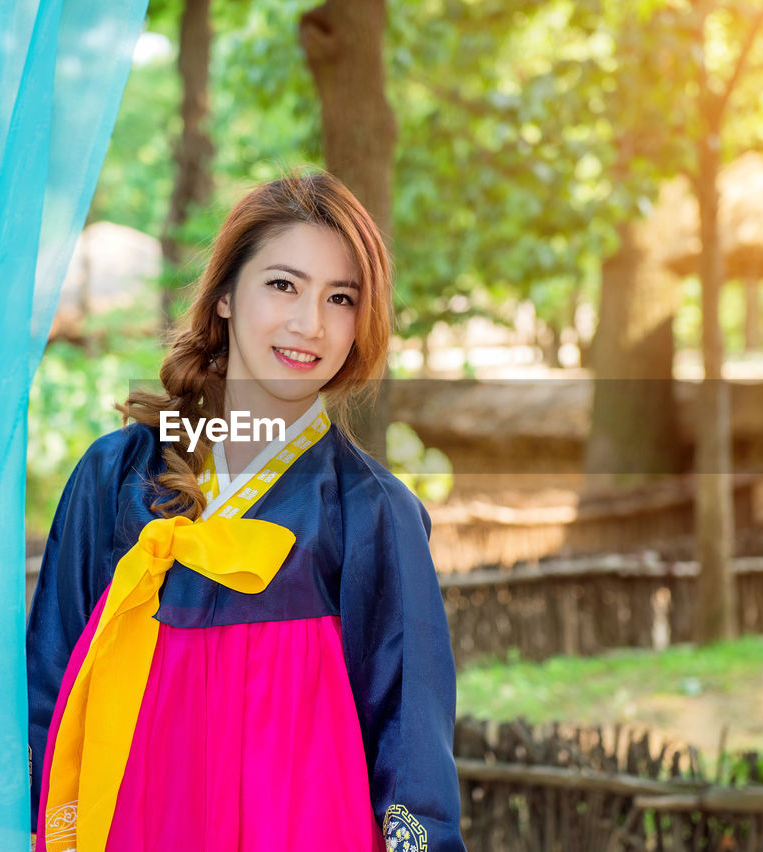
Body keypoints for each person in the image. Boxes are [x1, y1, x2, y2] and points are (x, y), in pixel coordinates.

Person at [26, 171, 464, 852]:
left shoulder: (373, 514)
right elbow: (48, 688)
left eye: (340, 297)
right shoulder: (116, 479)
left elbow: (411, 749)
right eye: (283, 285)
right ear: (226, 296)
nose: (308, 324)